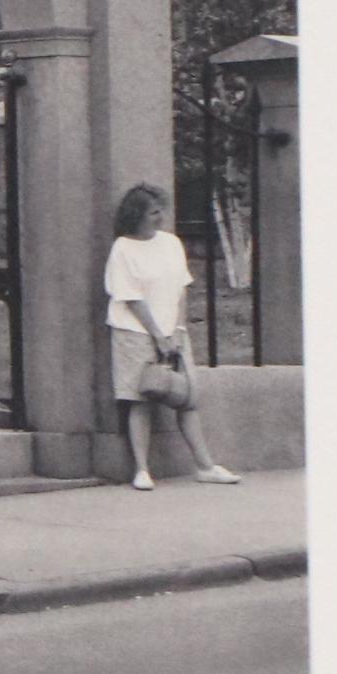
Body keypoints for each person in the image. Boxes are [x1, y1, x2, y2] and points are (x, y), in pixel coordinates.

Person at [107, 183, 239, 491]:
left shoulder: (170, 243)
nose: (160, 218)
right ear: (136, 215)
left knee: (186, 398)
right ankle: (142, 470)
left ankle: (206, 466)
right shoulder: (123, 248)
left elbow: (181, 288)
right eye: (154, 212)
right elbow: (131, 297)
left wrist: (177, 330)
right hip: (135, 333)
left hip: (172, 334)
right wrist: (157, 336)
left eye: (161, 211)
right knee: (139, 399)